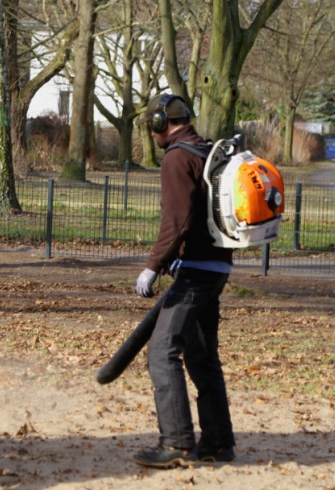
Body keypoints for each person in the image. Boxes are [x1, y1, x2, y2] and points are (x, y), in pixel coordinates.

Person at [132, 93, 236, 468]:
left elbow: (176, 219)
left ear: (161, 123)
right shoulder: (206, 150)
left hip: (196, 271)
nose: (152, 133)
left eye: (152, 125)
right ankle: (218, 442)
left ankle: (177, 444)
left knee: (162, 352)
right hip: (218, 266)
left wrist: (152, 266)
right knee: (201, 354)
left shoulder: (178, 158)